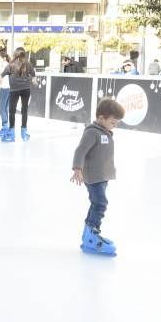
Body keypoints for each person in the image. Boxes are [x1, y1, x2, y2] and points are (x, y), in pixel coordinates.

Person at [70, 98, 125, 257]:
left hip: (102, 176)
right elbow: (80, 151)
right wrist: (77, 168)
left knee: (96, 203)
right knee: (100, 203)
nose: (115, 125)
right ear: (101, 118)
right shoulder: (92, 132)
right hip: (93, 177)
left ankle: (89, 234)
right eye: (113, 122)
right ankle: (92, 235)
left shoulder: (104, 131)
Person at [0, 47, 35, 142]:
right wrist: (32, 81)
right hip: (26, 89)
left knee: (12, 111)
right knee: (24, 111)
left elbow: (1, 76)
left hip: (14, 90)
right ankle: (23, 133)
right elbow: (33, 76)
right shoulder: (28, 64)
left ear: (15, 54)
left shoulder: (11, 65)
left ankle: (12, 133)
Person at [0, 51, 11, 138]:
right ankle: (6, 128)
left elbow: (2, 78)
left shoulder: (5, 65)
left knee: (1, 108)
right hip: (6, 88)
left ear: (4, 58)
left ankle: (5, 128)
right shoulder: (4, 65)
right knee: (4, 109)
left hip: (6, 88)